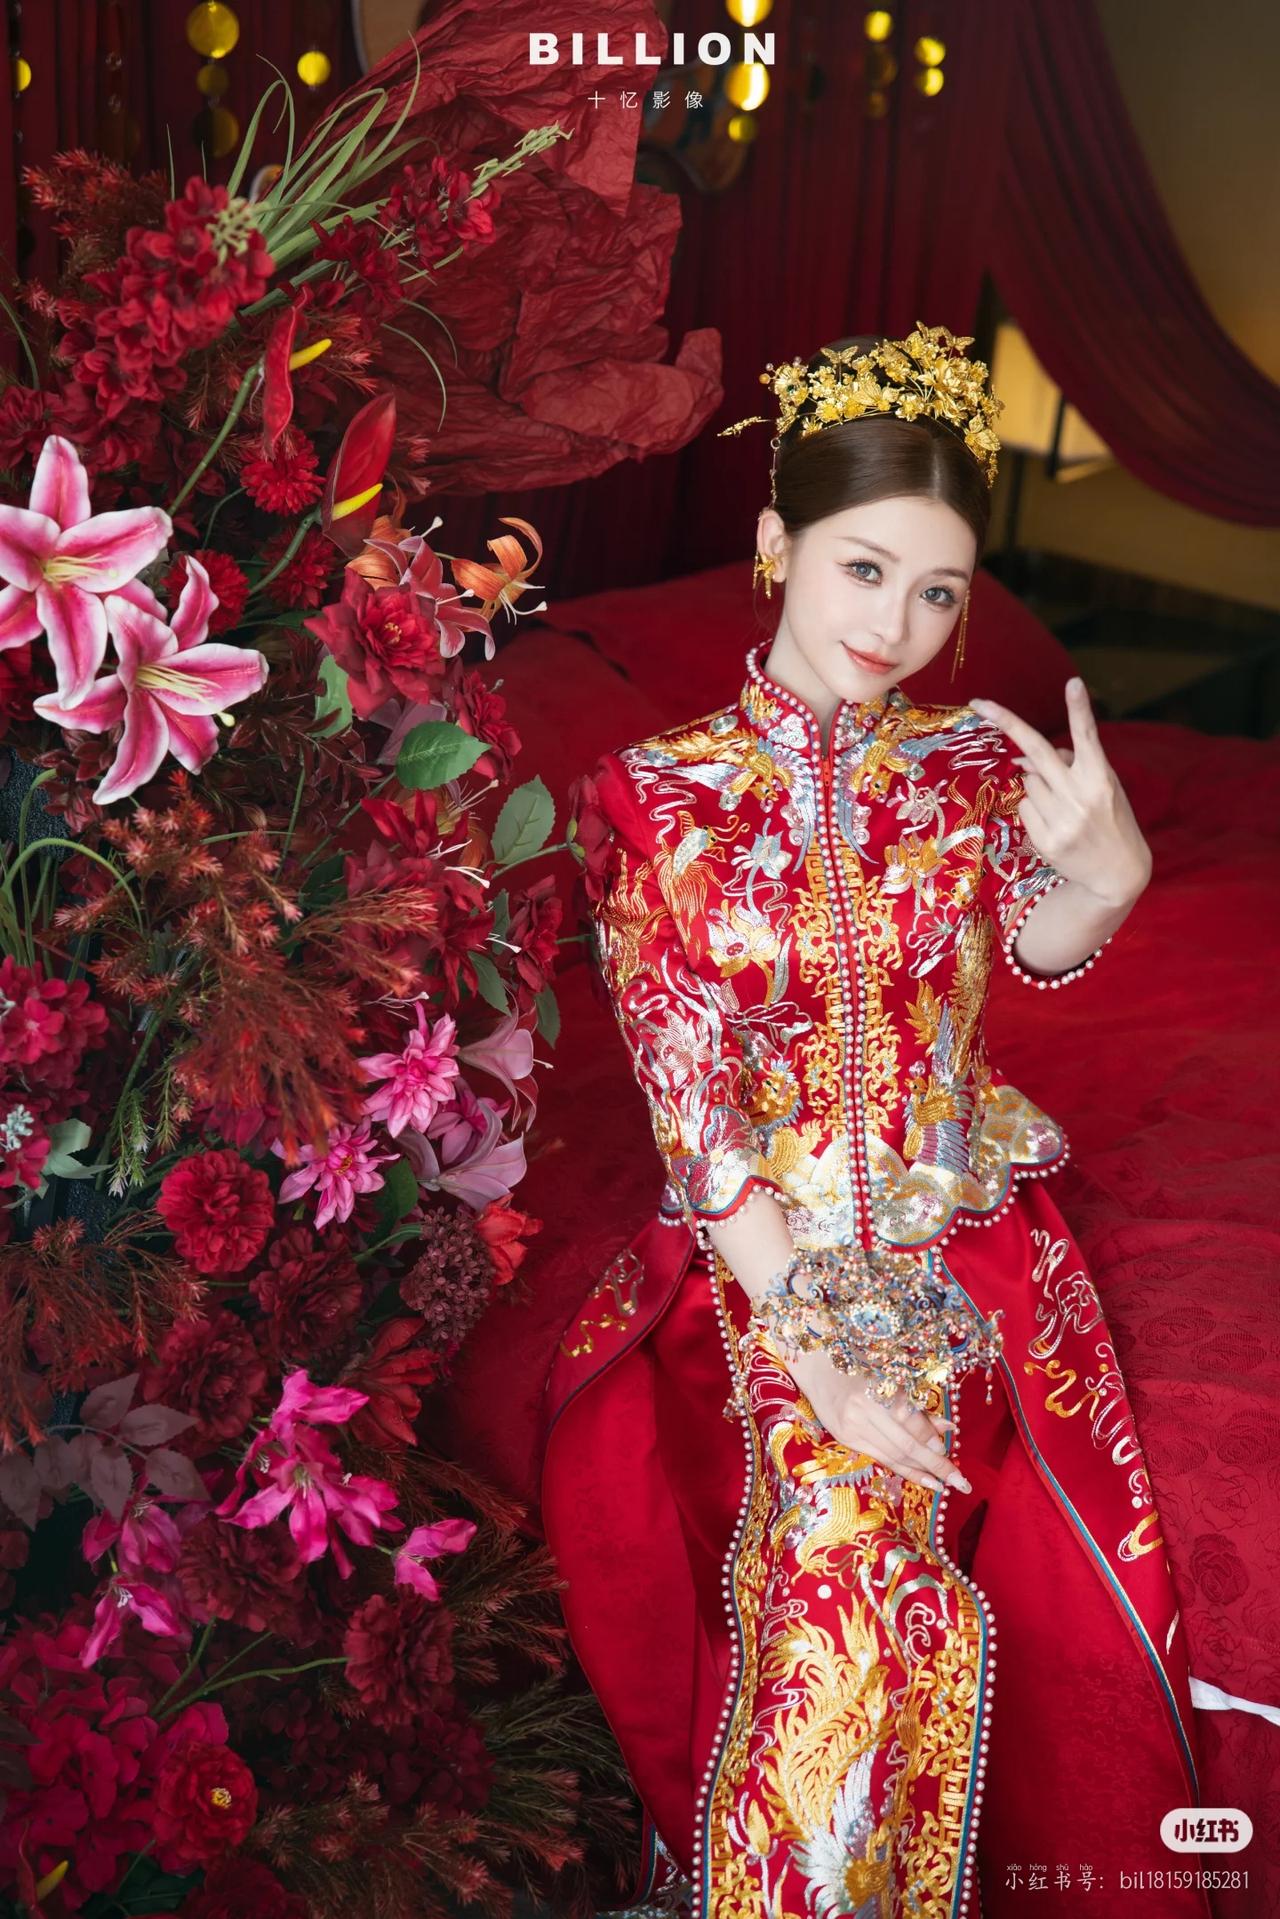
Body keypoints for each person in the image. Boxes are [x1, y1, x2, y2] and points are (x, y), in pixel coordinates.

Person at [538, 328, 1213, 1919]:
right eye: (863, 570)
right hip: (762, 1260)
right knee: (847, 1555)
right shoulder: (655, 798)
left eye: (937, 592)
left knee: (904, 1550)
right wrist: (819, 1354)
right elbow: (696, 1117)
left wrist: (1111, 882)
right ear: (776, 542)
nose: (896, 627)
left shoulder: (971, 763)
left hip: (967, 1239)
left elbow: (1034, 944)